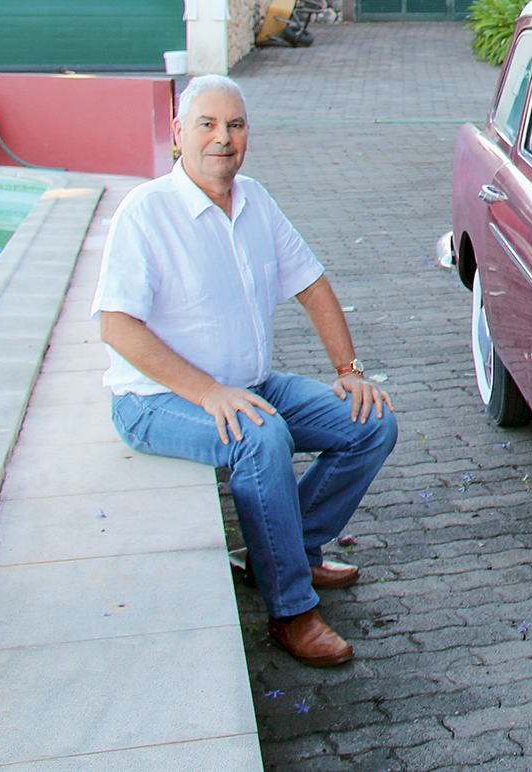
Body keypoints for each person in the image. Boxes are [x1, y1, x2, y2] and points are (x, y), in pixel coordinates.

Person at [93, 74, 397, 667]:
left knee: (369, 423)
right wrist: (208, 393)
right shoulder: (146, 212)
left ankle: (289, 547)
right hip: (157, 398)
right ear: (178, 132)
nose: (222, 139)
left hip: (250, 385)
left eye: (234, 125)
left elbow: (311, 283)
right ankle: (291, 610)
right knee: (262, 438)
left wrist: (349, 368)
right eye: (206, 124)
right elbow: (117, 327)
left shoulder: (255, 199)